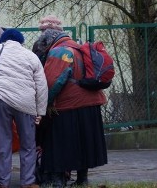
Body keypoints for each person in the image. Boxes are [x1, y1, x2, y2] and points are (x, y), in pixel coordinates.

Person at [33, 29, 107, 187]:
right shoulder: (78, 47)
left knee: (61, 143)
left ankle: (58, 181)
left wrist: (45, 104)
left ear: (47, 43)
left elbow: (53, 81)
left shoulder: (59, 51)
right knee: (84, 144)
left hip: (69, 105)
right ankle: (82, 179)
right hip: (90, 103)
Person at [0, 29, 48, 188]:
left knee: (2, 142)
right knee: (28, 144)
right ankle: (28, 182)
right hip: (26, 102)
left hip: (0, 101)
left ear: (3, 39)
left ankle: (3, 182)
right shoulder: (30, 55)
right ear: (20, 41)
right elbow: (41, 85)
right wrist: (40, 111)